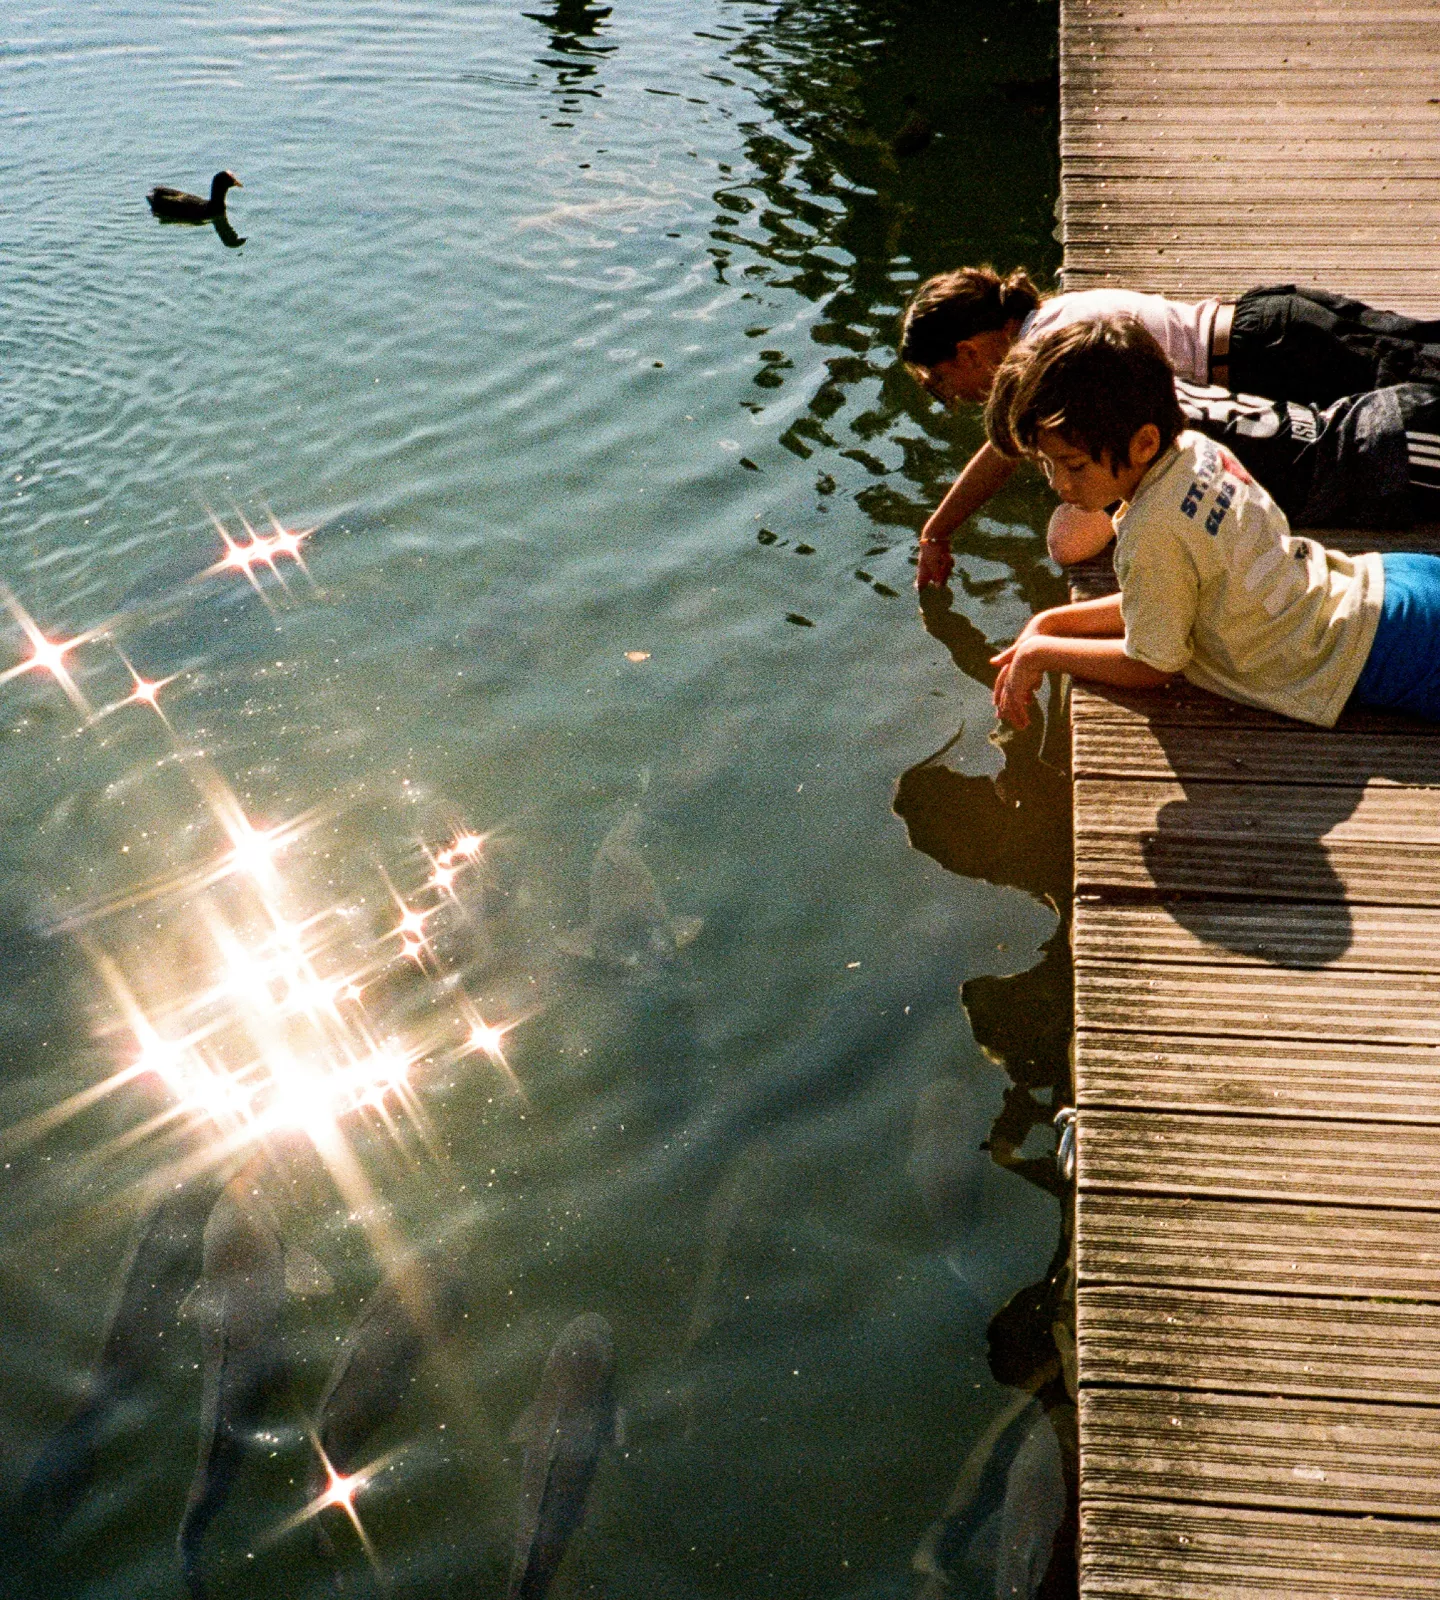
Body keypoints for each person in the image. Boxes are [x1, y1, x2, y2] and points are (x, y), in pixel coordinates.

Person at [982, 316, 1440, 731]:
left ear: (1143, 444)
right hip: (1383, 586)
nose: (1058, 484)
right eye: (1048, 465)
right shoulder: (1196, 450)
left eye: (1074, 466)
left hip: (1373, 652)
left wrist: (1044, 653)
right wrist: (1050, 622)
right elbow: (1174, 595)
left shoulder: (1152, 532)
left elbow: (1153, 664)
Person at [901, 266, 1440, 586]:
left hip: (1278, 357)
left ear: (969, 353)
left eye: (943, 383)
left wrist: (939, 530)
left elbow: (1005, 456)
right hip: (1269, 325)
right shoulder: (1049, 322)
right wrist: (940, 529)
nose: (956, 398)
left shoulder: (1051, 356)